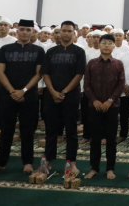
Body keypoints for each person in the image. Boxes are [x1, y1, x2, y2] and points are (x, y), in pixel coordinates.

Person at [0, 19, 44, 174]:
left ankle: (27, 162)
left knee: (28, 131)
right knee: (6, 130)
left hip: (29, 96)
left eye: (28, 30)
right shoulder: (5, 49)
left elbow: (39, 74)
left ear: (32, 32)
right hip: (7, 95)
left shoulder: (38, 50)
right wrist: (13, 91)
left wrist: (24, 91)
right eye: (22, 29)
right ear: (17, 31)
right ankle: (0, 162)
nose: (25, 32)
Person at [40, 20, 86, 174]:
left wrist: (64, 91)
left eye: (69, 31)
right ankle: (48, 161)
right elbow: (45, 73)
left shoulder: (79, 52)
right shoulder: (51, 52)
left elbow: (79, 75)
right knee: (51, 130)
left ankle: (72, 163)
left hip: (71, 96)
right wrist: (53, 92)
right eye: (63, 30)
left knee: (71, 131)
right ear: (59, 33)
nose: (66, 33)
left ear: (74, 33)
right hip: (51, 96)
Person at [83, 33, 125, 179]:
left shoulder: (118, 64)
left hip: (112, 106)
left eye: (109, 43)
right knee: (95, 139)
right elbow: (86, 84)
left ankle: (110, 168)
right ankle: (94, 168)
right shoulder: (91, 63)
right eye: (104, 43)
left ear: (114, 46)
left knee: (111, 139)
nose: (106, 46)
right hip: (94, 106)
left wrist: (110, 101)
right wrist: (94, 100)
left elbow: (121, 84)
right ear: (99, 45)